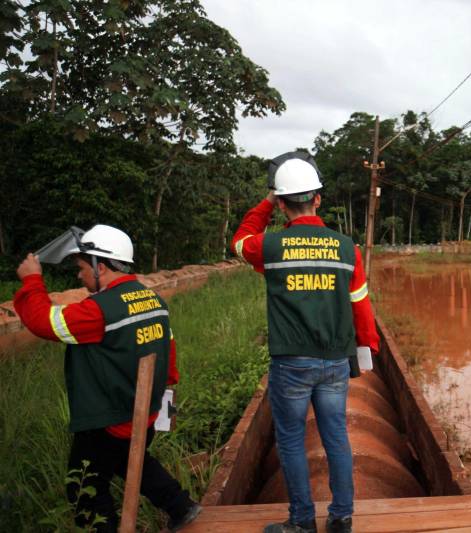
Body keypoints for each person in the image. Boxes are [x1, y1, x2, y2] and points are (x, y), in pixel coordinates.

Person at [13, 224, 202, 532]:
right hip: (144, 413)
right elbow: (169, 353)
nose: (79, 275)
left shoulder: (99, 311)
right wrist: (165, 401)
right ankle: (181, 507)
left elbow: (44, 322)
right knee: (133, 462)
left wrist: (33, 279)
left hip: (110, 419)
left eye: (82, 267)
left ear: (102, 265)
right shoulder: (152, 300)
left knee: (84, 489)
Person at [231, 151, 379, 533]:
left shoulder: (271, 247)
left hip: (291, 364)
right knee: (336, 438)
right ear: (318, 198)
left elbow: (240, 240)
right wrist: (367, 350)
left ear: (281, 204)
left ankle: (301, 523)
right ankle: (342, 518)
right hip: (333, 363)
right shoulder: (348, 249)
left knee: (293, 442)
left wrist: (265, 203)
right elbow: (361, 306)